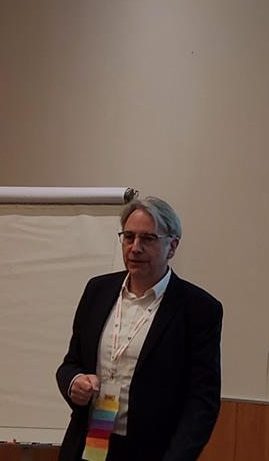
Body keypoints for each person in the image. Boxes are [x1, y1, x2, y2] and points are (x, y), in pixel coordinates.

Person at [56, 196, 223, 461]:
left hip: (151, 451)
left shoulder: (198, 308)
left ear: (172, 247)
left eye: (148, 238)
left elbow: (202, 400)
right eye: (129, 237)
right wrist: (74, 382)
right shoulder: (98, 291)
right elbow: (71, 363)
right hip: (88, 443)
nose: (135, 248)